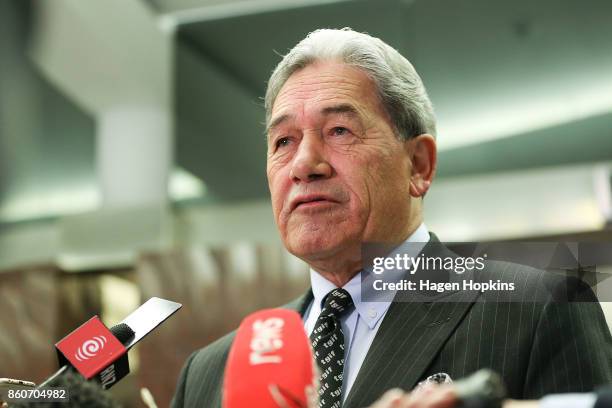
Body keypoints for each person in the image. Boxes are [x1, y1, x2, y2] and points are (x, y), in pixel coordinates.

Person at [171, 28, 612, 408]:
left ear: (418, 165)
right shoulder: (211, 372)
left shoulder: (535, 308)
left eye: (339, 130)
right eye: (283, 141)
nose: (304, 163)